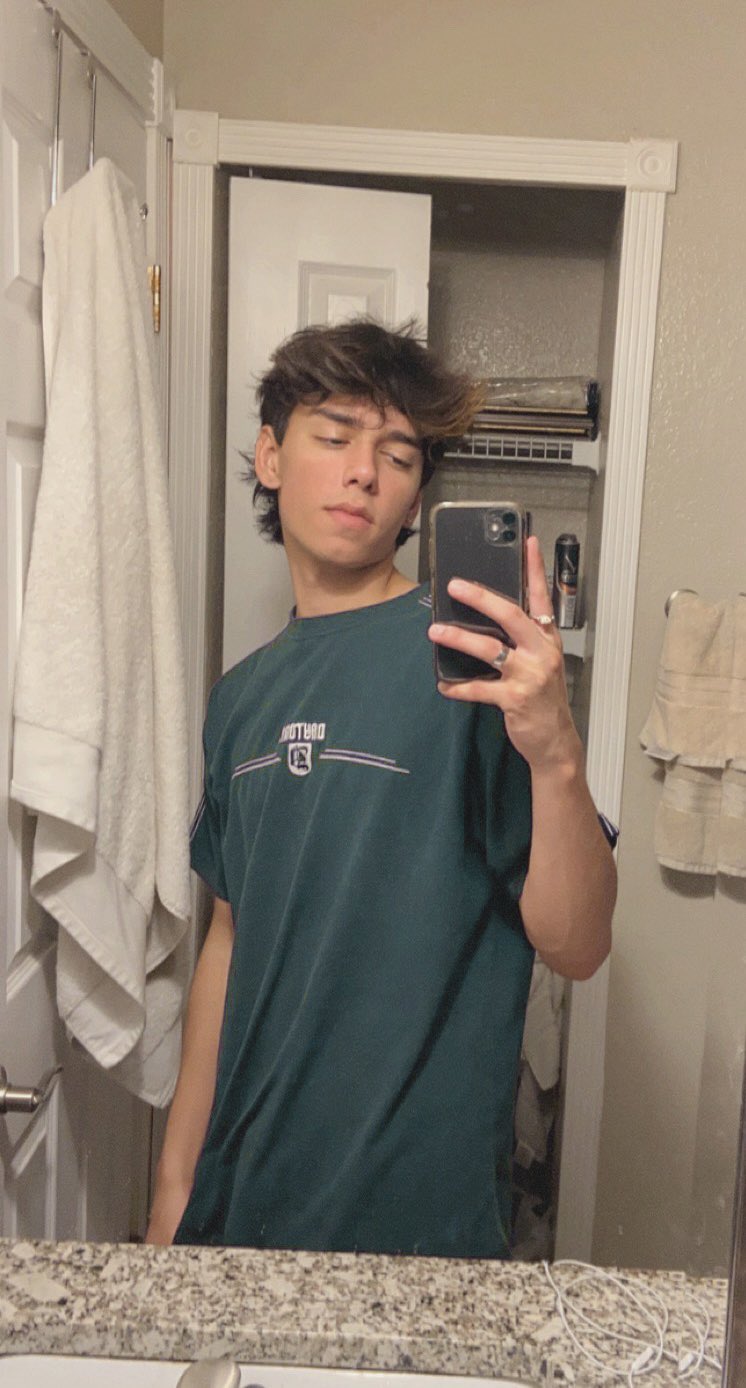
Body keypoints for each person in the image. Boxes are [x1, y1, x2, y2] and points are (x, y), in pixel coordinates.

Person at [145, 319, 616, 1258]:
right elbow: (229, 938)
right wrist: (173, 1186)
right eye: (334, 436)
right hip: (242, 1205)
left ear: (414, 504)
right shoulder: (239, 698)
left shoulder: (472, 669)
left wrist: (556, 754)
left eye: (397, 456)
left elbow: (578, 944)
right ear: (270, 457)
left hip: (417, 1220)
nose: (364, 471)